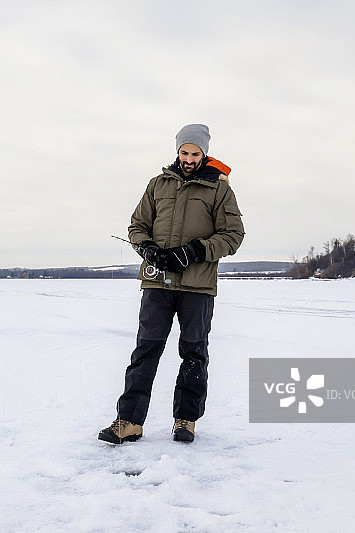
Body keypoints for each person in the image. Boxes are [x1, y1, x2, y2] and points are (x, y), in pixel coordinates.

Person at [98, 124, 245, 444]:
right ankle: (129, 421)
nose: (189, 158)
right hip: (157, 283)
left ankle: (186, 420)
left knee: (194, 352)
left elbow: (233, 235)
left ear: (204, 154)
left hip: (198, 286)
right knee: (145, 350)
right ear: (177, 151)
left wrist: (195, 251)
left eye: (195, 153)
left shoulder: (219, 189)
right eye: (184, 152)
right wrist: (147, 248)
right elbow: (137, 225)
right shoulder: (157, 184)